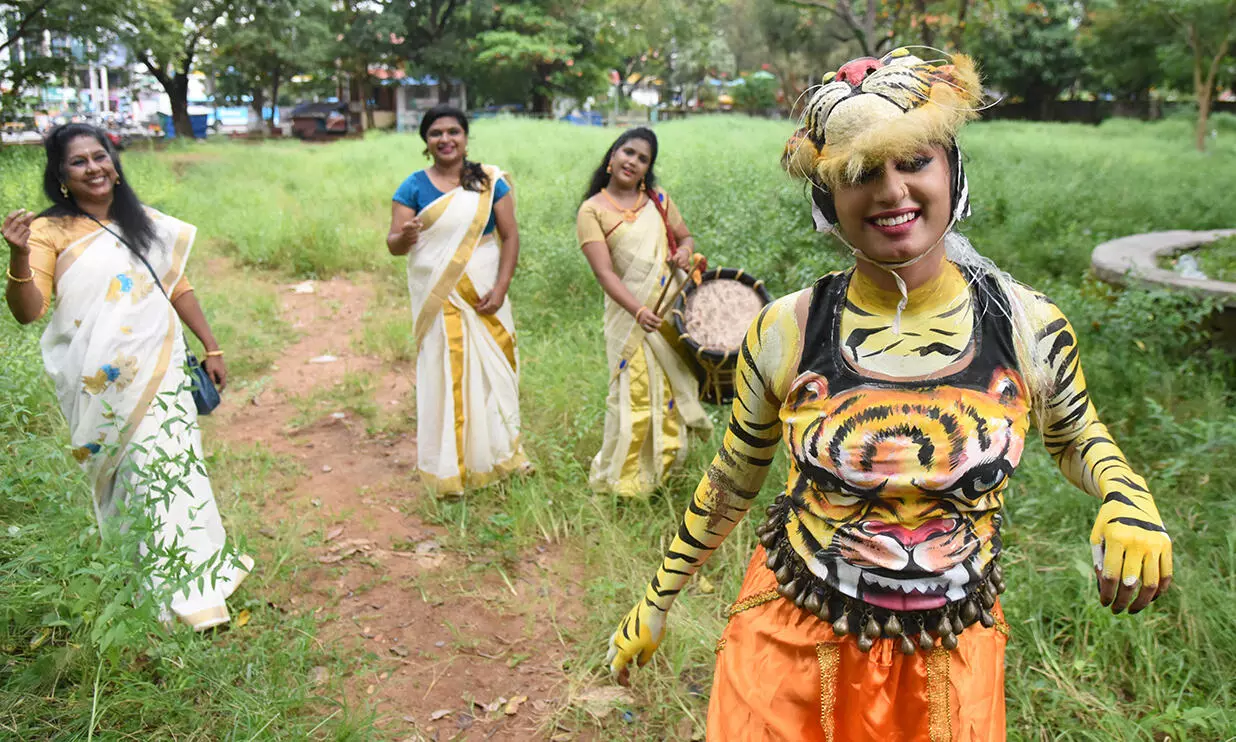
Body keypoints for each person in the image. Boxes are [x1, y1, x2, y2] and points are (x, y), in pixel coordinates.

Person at [606, 49, 1173, 740]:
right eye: (860, 172)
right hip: (790, 640)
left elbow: (1076, 434)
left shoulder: (1025, 323)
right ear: (827, 199)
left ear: (953, 173)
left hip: (948, 656)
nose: (891, 191)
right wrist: (658, 599)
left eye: (914, 161)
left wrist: (1128, 495)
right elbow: (733, 477)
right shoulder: (787, 328)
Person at [3, 123, 252, 631]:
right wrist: (18, 254)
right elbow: (30, 312)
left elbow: (177, 286)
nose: (94, 168)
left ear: (114, 165)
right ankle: (147, 595)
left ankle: (198, 592)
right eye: (79, 162)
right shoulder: (49, 232)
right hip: (101, 387)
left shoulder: (144, 222)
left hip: (160, 376)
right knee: (135, 480)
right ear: (61, 177)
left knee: (176, 473)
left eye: (101, 157)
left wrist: (212, 344)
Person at [386, 105, 529, 496]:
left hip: (485, 293)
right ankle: (450, 465)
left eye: (453, 131)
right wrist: (407, 237)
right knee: (444, 373)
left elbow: (510, 236)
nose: (445, 139)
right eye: (436, 133)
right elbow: (394, 244)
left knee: (493, 370)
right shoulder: (412, 187)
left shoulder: (490, 182)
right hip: (439, 296)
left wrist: (500, 288)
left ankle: (498, 455)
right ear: (425, 142)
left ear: (466, 137)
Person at [577, 127, 713, 496]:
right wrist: (638, 311)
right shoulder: (592, 210)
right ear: (612, 155)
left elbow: (685, 238)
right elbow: (604, 273)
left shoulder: (659, 201)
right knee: (634, 395)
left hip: (668, 317)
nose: (632, 162)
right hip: (630, 319)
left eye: (642, 159)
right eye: (628, 152)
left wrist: (684, 252)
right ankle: (625, 480)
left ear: (647, 169)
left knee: (669, 392)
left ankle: (666, 473)